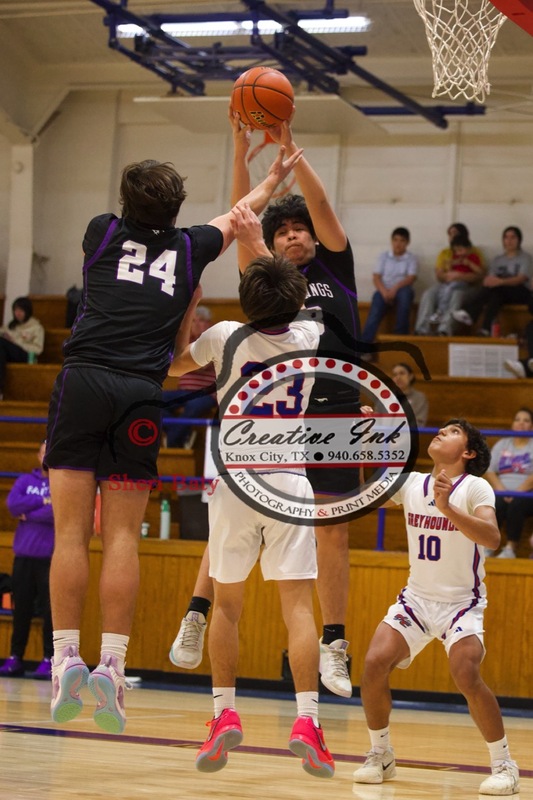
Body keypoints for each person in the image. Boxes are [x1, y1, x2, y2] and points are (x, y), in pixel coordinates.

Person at [44, 148, 301, 734]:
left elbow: (225, 217)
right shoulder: (191, 247)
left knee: (69, 533)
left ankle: (64, 660)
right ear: (177, 207)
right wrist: (270, 178)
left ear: (126, 203)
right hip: (139, 391)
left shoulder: (100, 231)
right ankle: (112, 662)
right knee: (122, 539)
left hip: (84, 381)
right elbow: (239, 215)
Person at [170, 111, 362, 699]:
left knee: (332, 531)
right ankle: (198, 611)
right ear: (270, 246)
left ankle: (334, 641)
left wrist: (290, 151)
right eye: (283, 232)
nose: (294, 234)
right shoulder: (267, 279)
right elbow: (240, 218)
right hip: (269, 416)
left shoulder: (335, 265)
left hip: (331, 408)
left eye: (301, 228)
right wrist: (239, 151)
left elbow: (319, 210)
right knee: (233, 511)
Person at [169, 253, 334, 778]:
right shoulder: (309, 335)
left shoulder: (222, 336)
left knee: (226, 605)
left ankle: (222, 714)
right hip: (288, 481)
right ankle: (307, 720)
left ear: (245, 301)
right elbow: (299, 297)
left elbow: (173, 368)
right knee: (299, 610)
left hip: (235, 482)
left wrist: (187, 307)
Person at [353, 418, 520, 796]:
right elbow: (368, 490)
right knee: (374, 663)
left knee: (465, 672)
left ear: (468, 452)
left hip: (462, 603)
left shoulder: (475, 487)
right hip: (416, 599)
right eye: (441, 429)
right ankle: (381, 754)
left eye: (453, 431)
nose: (442, 432)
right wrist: (365, 441)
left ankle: (504, 765)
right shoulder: (412, 482)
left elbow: (492, 537)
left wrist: (448, 509)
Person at [0, 441, 54, 679]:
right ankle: (15, 657)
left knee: (51, 612)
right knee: (21, 610)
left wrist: (28, 514)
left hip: (50, 559)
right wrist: (43, 502)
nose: (46, 454)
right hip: (23, 557)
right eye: (44, 450)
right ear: (38, 454)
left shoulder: (61, 484)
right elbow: (12, 505)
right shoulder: (25, 481)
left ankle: (49, 659)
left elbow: (57, 513)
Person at [452, 226, 532, 335]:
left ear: (519, 240)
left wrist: (501, 282)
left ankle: (470, 313)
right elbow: (490, 279)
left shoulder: (526, 258)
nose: (509, 241)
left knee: (498, 289)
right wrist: (488, 281)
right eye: (506, 238)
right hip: (501, 292)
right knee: (495, 294)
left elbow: (521, 278)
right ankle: (485, 329)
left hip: (521, 292)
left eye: (513, 237)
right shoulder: (497, 260)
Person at [162, 305, 217, 449]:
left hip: (206, 393)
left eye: (201, 321)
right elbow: (171, 361)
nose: (197, 324)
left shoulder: (215, 341)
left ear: (209, 324)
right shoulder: (183, 341)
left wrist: (182, 361)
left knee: (194, 406)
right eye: (194, 321)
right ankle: (182, 436)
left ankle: (172, 442)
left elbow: (201, 365)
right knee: (154, 399)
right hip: (184, 391)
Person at [484, 407, 533, 559]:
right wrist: (501, 490)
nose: (521, 424)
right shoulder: (503, 443)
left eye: (526, 421)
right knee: (494, 503)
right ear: (512, 424)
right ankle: (488, 546)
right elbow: (490, 470)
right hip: (502, 490)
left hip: (526, 492)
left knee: (516, 505)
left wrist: (517, 492)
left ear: (531, 426)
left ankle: (511, 548)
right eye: (518, 420)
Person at [415, 230, 485, 336]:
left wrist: (461, 275)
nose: (458, 252)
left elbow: (480, 274)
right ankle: (422, 329)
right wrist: (448, 273)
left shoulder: (475, 254)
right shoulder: (447, 253)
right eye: (450, 235)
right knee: (429, 293)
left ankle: (444, 329)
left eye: (460, 249)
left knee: (456, 294)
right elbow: (440, 274)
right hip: (448, 283)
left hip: (466, 286)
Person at [361, 227, 418, 345]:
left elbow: (411, 278)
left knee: (405, 295)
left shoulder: (411, 258)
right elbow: (376, 277)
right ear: (391, 241)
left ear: (407, 243)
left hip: (401, 289)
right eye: (395, 240)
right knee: (375, 307)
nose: (398, 244)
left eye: (402, 240)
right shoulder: (384, 256)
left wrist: (394, 289)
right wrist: (384, 292)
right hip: (384, 290)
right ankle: (365, 345)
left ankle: (400, 339)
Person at [0, 297, 44, 399]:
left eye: (20, 310)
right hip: (9, 354)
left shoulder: (36, 327)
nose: (17, 313)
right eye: (15, 310)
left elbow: (38, 349)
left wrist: (15, 341)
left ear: (27, 311)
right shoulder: (12, 325)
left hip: (27, 356)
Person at [390, 363, 428, 427]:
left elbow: (419, 423)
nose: (398, 377)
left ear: (410, 376)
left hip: (410, 435)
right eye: (395, 374)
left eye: (402, 373)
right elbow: (378, 420)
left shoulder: (419, 398)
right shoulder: (385, 397)